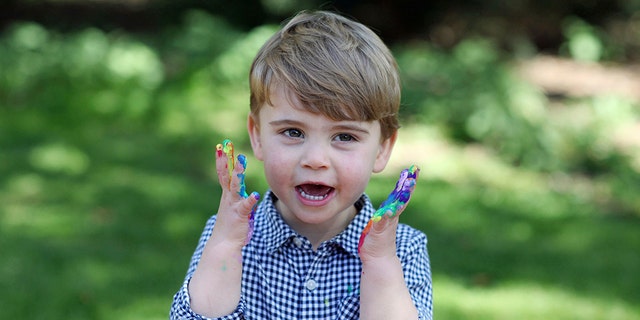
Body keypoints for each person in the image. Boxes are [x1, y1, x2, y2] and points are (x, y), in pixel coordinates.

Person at [170, 10, 433, 320]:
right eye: (293, 132)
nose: (315, 160)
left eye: (345, 136)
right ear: (257, 136)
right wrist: (226, 246)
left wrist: (379, 264)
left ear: (382, 148)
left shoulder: (403, 249)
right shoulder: (228, 234)